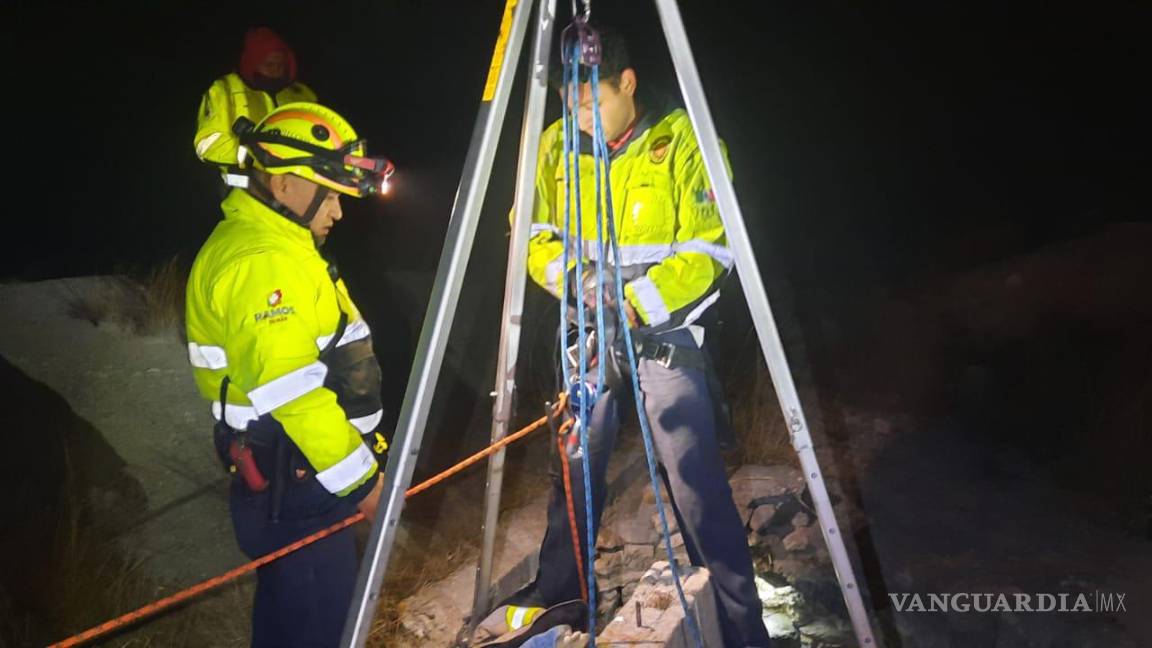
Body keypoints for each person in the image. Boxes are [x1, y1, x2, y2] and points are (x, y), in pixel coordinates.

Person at [484, 27, 772, 647]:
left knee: (696, 483)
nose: (582, 117)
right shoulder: (556, 147)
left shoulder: (686, 141)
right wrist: (579, 284)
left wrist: (636, 303)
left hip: (665, 339)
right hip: (589, 336)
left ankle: (741, 625)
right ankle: (564, 597)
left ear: (628, 84)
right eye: (573, 105)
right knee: (573, 467)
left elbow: (710, 247)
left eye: (594, 103)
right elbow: (531, 234)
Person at [185, 101, 393, 647]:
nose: (339, 211)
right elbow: (293, 392)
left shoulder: (282, 249)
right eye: (330, 192)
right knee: (321, 627)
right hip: (298, 482)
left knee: (286, 621)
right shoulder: (263, 262)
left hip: (296, 475)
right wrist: (364, 482)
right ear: (282, 185)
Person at [194, 27, 317, 174]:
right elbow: (207, 145)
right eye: (269, 65)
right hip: (244, 186)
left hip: (298, 185)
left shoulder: (302, 94)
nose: (275, 70)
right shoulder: (225, 89)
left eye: (280, 65)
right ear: (252, 62)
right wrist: (254, 156)